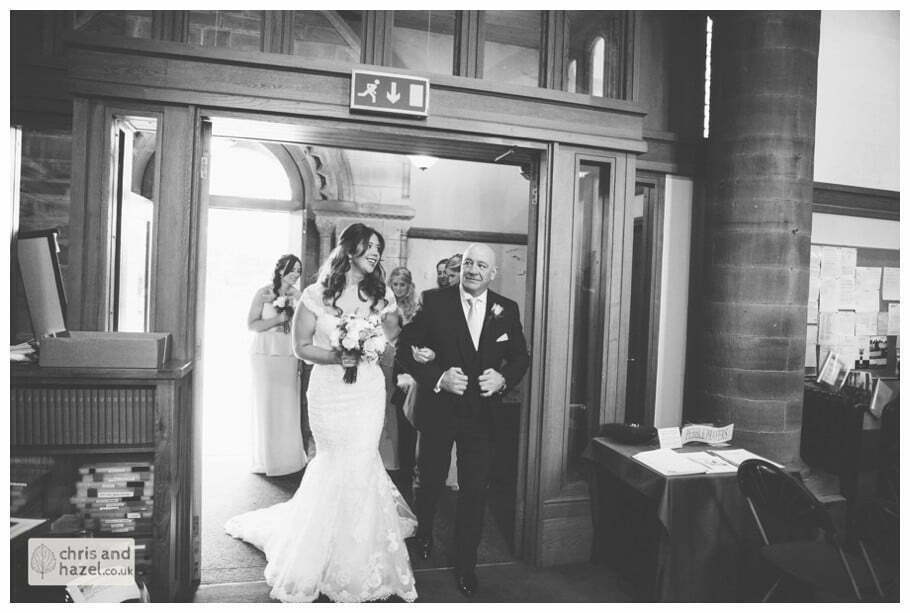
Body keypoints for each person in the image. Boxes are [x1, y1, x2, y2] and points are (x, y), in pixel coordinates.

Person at [225, 223, 417, 603]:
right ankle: (322, 549)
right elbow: (300, 347)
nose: (375, 253)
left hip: (366, 390)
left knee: (363, 459)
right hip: (329, 391)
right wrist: (337, 354)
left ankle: (362, 552)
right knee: (333, 461)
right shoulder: (314, 295)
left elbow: (393, 331)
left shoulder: (380, 295)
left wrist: (373, 346)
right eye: (368, 247)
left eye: (378, 247)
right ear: (348, 251)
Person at [400, 243, 529, 598]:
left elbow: (520, 356)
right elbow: (405, 350)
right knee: (430, 480)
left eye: (481, 265)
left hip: (481, 418)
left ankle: (466, 562)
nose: (473, 270)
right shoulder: (434, 301)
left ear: (492, 273)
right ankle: (424, 531)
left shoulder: (507, 309)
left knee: (474, 490)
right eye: (468, 263)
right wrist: (439, 377)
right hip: (439, 410)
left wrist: (504, 379)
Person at [246, 254, 307, 477]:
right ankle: (268, 459)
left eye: (299, 270)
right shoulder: (264, 293)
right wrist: (278, 319)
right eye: (292, 269)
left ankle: (289, 458)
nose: (296, 274)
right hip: (265, 353)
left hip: (289, 354)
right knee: (268, 403)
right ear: (281, 269)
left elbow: (304, 326)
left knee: (288, 404)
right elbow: (251, 324)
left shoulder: (299, 296)